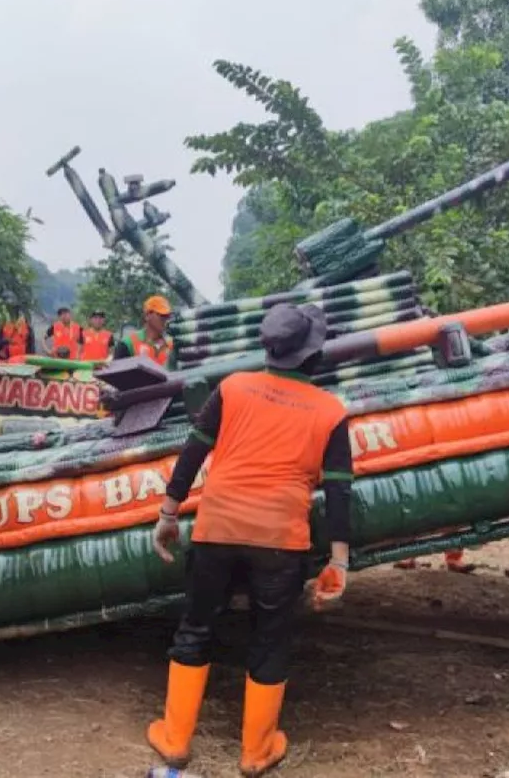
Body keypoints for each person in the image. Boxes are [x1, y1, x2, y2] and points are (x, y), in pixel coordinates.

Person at [146, 303, 353, 776]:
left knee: (196, 627)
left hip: (216, 529)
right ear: (312, 354)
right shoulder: (331, 412)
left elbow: (194, 450)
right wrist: (339, 562)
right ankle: (255, 753)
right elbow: (339, 491)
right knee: (270, 638)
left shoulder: (232, 388)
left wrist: (168, 513)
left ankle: (175, 740)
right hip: (281, 541)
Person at [113, 295, 176, 368]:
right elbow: (116, 376)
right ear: (147, 315)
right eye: (161, 315)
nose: (165, 319)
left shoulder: (173, 345)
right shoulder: (128, 344)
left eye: (167, 316)